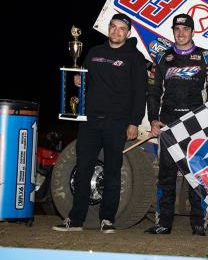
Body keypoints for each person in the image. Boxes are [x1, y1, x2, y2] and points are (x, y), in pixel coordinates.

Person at [52, 13, 148, 233]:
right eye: (113, 27)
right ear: (109, 29)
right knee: (83, 169)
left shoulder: (135, 57)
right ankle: (75, 220)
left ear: (128, 32)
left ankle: (107, 220)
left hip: (117, 123)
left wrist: (134, 123)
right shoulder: (95, 53)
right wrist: (79, 81)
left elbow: (140, 93)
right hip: (90, 121)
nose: (116, 32)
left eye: (121, 28)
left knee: (113, 172)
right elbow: (85, 82)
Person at [144, 13, 208, 236]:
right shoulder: (162, 58)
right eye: (177, 29)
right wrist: (153, 119)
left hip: (196, 122)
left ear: (192, 32)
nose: (181, 32)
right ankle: (163, 223)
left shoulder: (206, 56)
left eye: (186, 29)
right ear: (173, 32)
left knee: (197, 173)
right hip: (168, 123)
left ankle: (198, 222)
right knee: (166, 175)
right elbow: (153, 92)